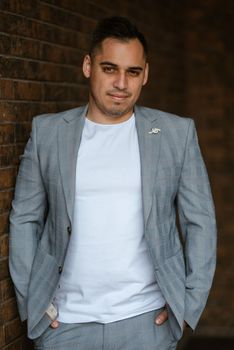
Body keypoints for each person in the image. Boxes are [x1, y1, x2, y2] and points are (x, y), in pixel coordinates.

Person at [9, 16, 217, 350]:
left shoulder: (175, 134)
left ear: (145, 74)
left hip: (147, 323)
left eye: (133, 72)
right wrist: (33, 305)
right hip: (64, 324)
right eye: (110, 69)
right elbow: (25, 219)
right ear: (88, 66)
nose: (121, 82)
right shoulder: (48, 133)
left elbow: (201, 223)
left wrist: (188, 304)